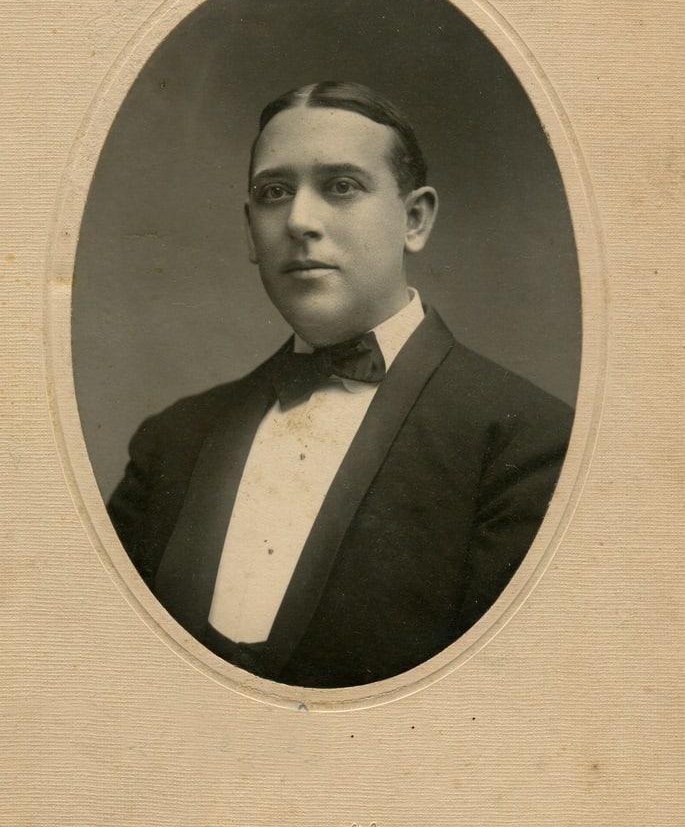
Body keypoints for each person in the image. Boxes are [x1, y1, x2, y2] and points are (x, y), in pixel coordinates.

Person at [108, 81, 574, 689]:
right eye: (274, 193)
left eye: (341, 187)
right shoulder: (171, 441)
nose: (300, 221)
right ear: (251, 231)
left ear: (414, 219)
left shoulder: (529, 444)